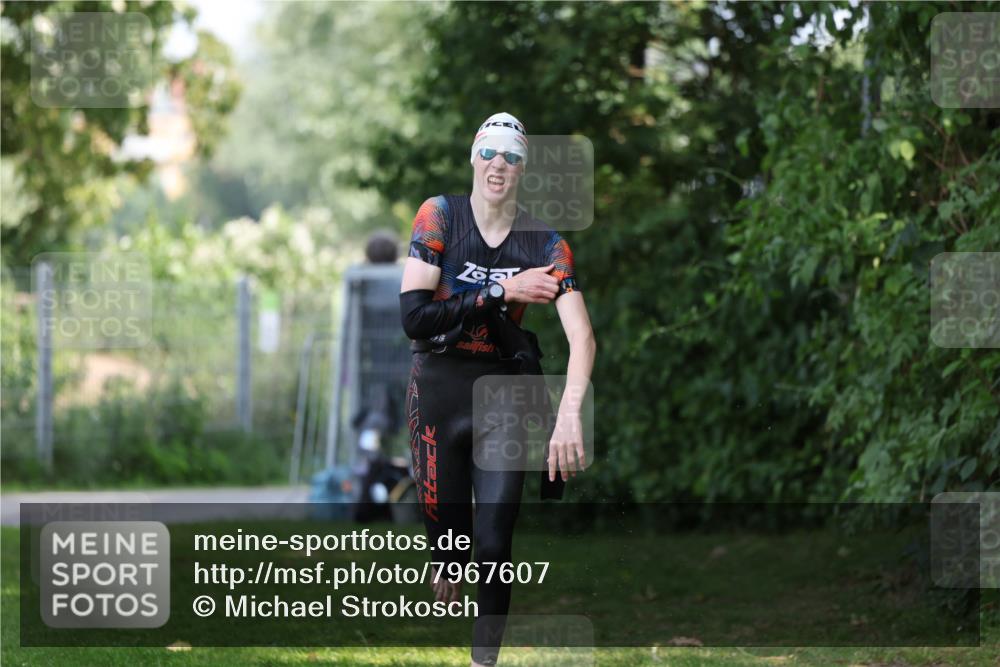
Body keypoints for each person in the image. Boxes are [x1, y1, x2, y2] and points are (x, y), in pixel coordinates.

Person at [399, 112, 596, 667]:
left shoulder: (545, 244)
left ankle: (482, 663)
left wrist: (569, 414)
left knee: (492, 543)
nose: (498, 165)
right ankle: (447, 552)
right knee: (453, 547)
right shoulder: (440, 215)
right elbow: (414, 319)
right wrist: (503, 290)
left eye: (512, 156)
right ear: (473, 157)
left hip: (504, 398)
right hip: (437, 390)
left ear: (523, 168)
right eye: (489, 152)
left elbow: (582, 337)